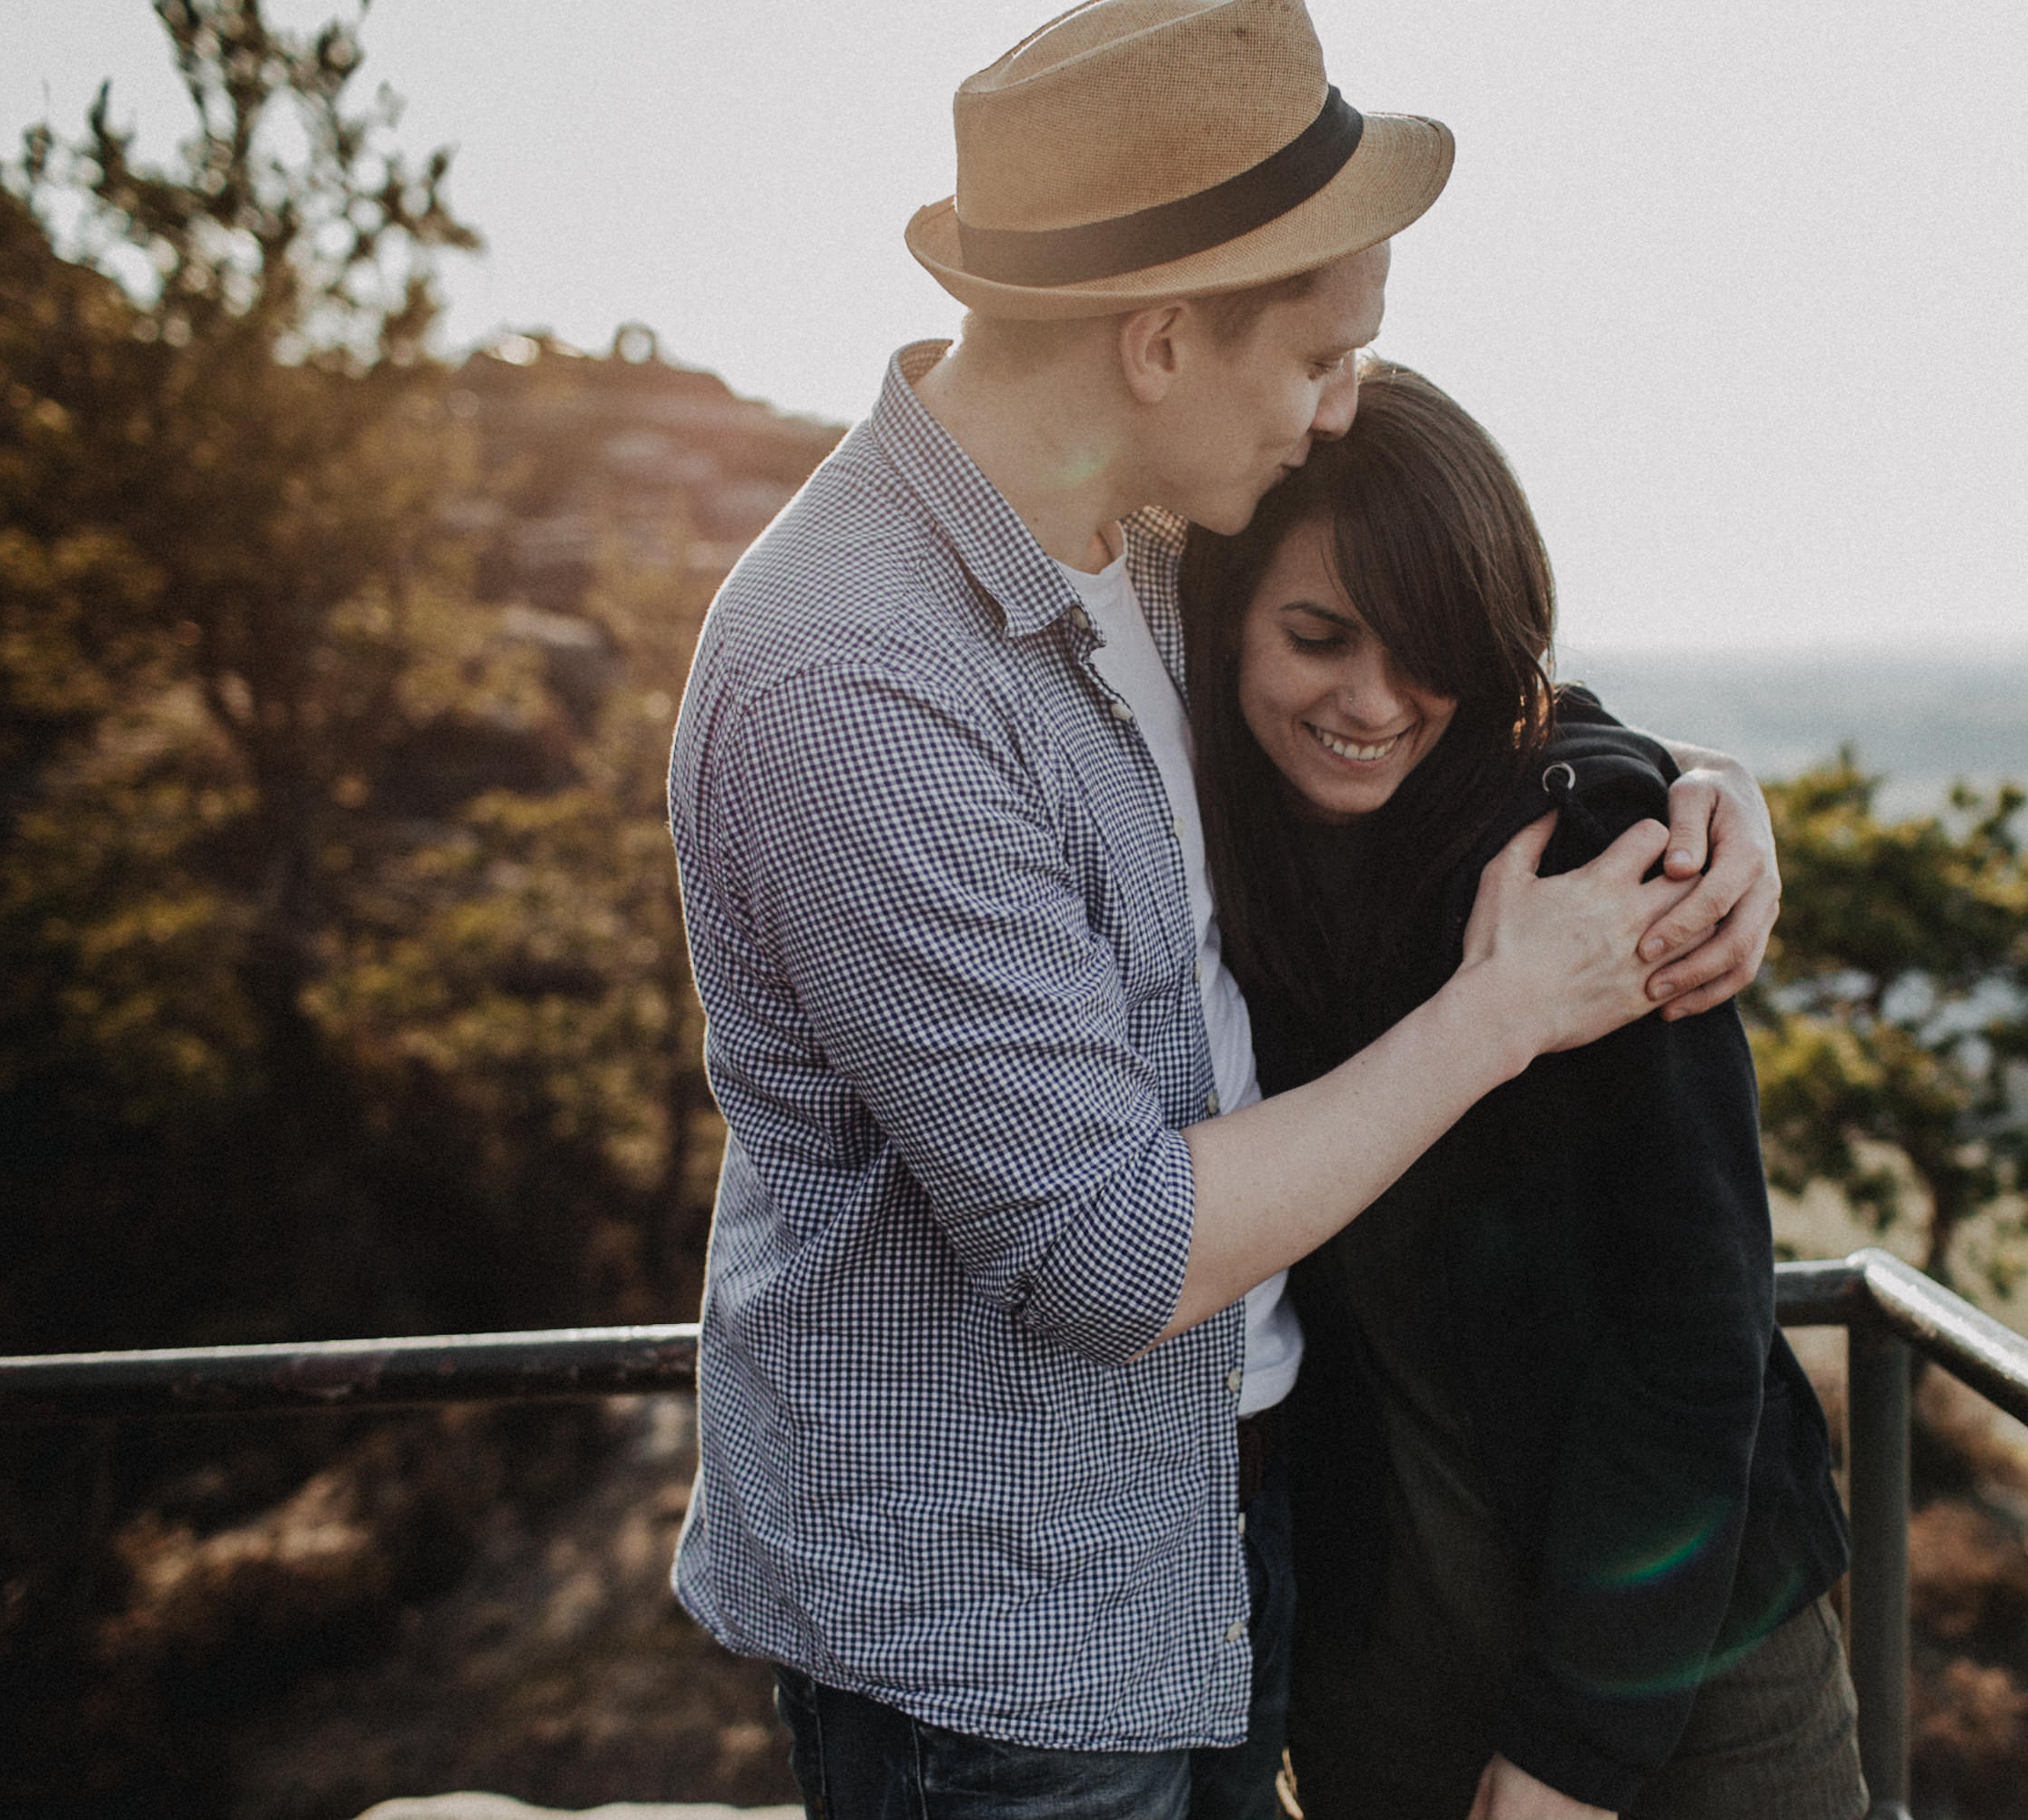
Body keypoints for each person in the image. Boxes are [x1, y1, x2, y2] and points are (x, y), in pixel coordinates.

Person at [664, 3, 1791, 1815]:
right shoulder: (860, 676)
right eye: (1327, 358)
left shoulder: (1152, 544)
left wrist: (1691, 796)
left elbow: (1413, 669)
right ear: (1166, 339)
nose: (1344, 407)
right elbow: (1107, 1255)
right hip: (1001, 1647)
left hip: (1217, 1549)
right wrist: (1505, 1008)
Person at [1179, 364, 1863, 1820]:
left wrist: (1572, 1756)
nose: (1369, 702)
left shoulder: (1593, 853)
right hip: (1384, 1655)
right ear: (1228, 612)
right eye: (1316, 635)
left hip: (1679, 1657)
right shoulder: (1224, 840)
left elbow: (1697, 1337)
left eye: (1426, 647)